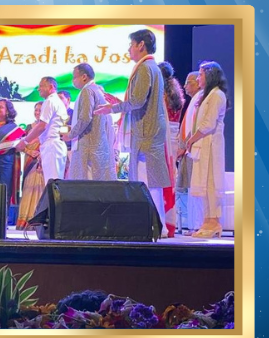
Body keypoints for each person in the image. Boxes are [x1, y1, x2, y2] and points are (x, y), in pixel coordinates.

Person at [94, 29, 170, 235]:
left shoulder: (145, 67)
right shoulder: (151, 67)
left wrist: (112, 108)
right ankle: (157, 225)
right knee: (149, 180)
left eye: (131, 44)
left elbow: (137, 101)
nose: (129, 49)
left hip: (146, 133)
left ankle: (154, 225)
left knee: (147, 181)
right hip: (148, 131)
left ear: (141, 45)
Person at [186, 61, 229, 238]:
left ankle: (214, 222)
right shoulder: (207, 95)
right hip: (203, 144)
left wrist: (191, 139)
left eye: (201, 74)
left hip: (211, 145)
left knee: (211, 182)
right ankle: (207, 221)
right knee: (203, 184)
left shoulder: (217, 95)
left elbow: (208, 124)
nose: (198, 78)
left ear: (210, 76)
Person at [63, 63, 117, 181]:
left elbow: (85, 118)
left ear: (84, 77)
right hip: (97, 145)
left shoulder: (87, 91)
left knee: (87, 183)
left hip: (89, 148)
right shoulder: (97, 90)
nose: (73, 81)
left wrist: (70, 135)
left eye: (74, 77)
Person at [16, 77, 68, 185]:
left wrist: (25, 141)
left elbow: (42, 126)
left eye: (41, 86)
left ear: (51, 87)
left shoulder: (50, 101)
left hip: (52, 145)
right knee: (54, 183)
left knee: (53, 184)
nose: (38, 89)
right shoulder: (58, 102)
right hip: (55, 145)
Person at [158, 61, 185, 237]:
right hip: (174, 136)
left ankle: (162, 223)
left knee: (162, 180)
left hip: (164, 137)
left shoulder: (161, 95)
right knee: (170, 180)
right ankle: (170, 224)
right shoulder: (175, 93)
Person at [176, 71, 203, 234]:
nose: (185, 86)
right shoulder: (195, 99)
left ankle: (198, 225)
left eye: (189, 82)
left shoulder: (200, 99)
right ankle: (195, 226)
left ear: (198, 83)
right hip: (189, 149)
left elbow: (196, 126)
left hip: (193, 149)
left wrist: (184, 146)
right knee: (191, 189)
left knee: (196, 189)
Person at [16, 102, 45, 229]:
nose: (37, 112)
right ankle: (25, 221)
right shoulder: (29, 127)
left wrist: (42, 154)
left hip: (43, 160)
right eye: (36, 110)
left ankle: (38, 220)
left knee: (41, 188)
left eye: (40, 110)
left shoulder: (48, 127)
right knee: (29, 187)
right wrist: (29, 151)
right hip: (30, 161)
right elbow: (20, 145)